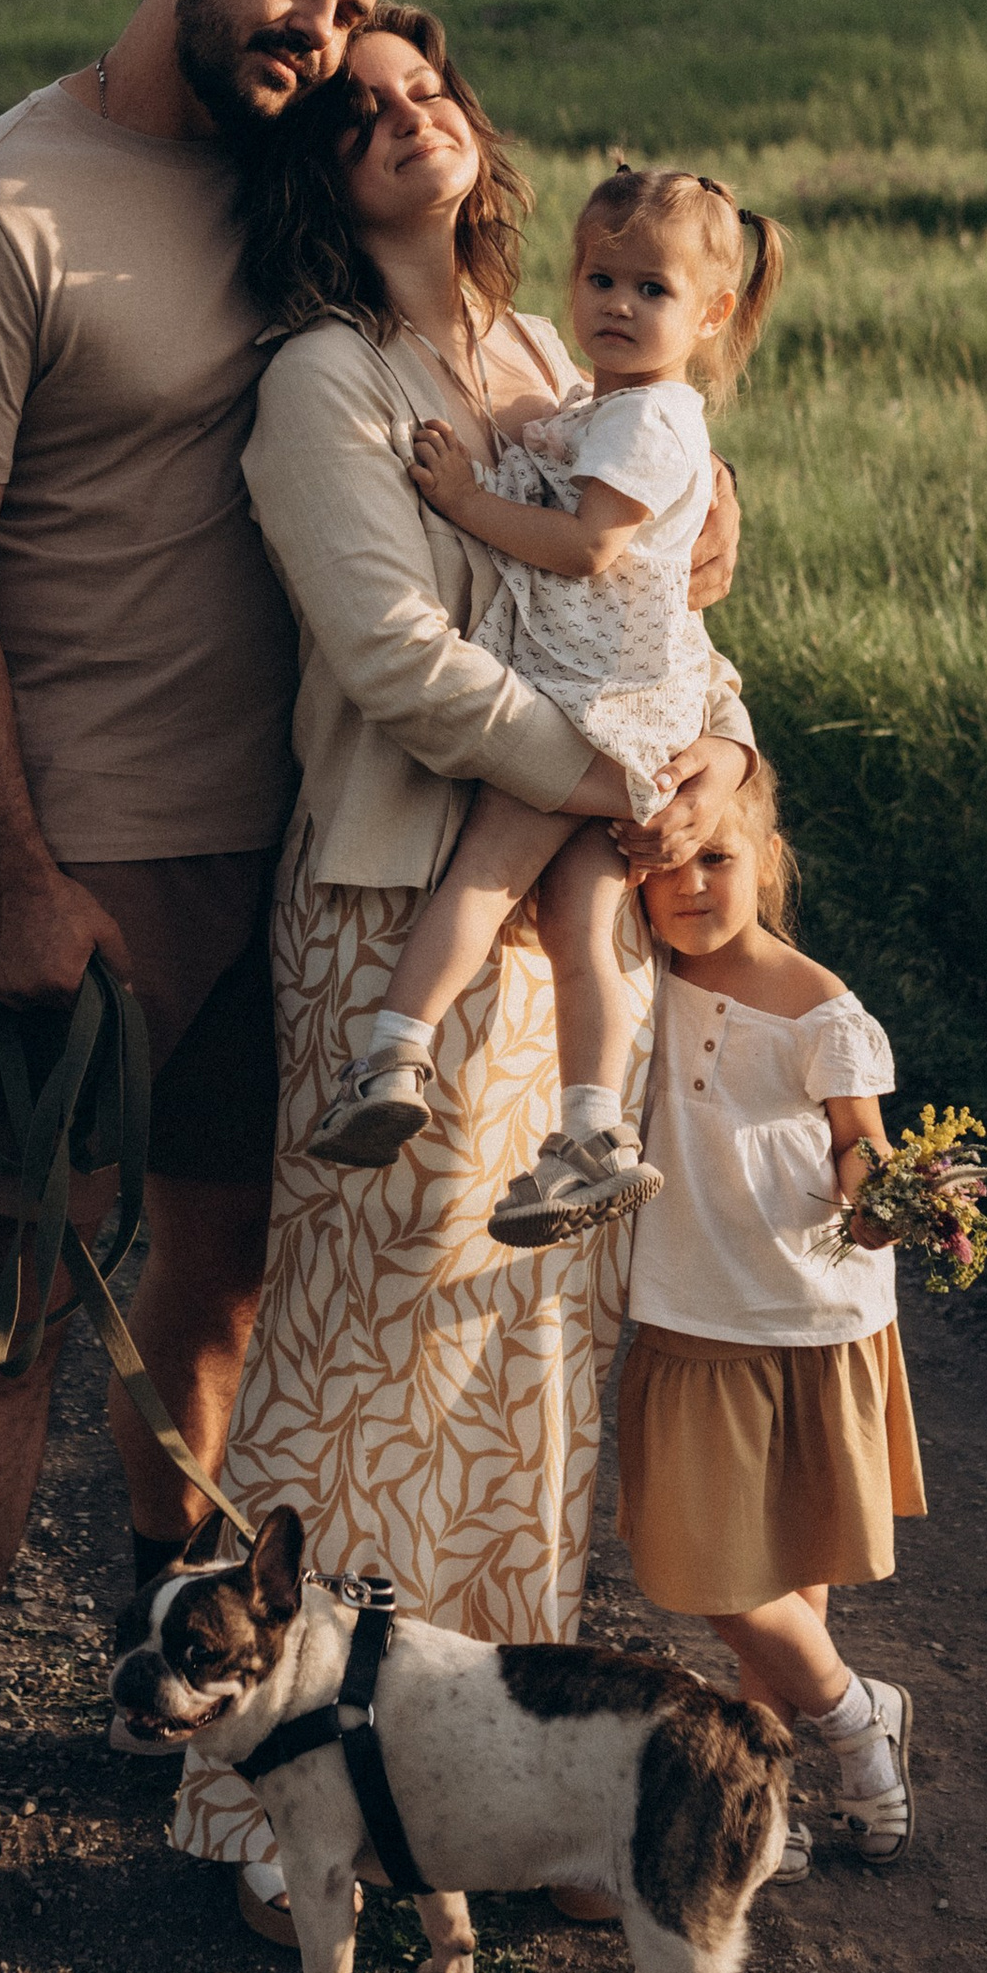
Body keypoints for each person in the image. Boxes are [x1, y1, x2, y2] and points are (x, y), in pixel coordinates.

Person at [0, 0, 396, 1956]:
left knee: (222, 1290)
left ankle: (194, 1698)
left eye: (344, 0)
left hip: (301, 850)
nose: (315, 29)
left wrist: (664, 510)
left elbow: (454, 354)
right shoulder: (5, 204)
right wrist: (30, 875)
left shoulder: (294, 174)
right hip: (88, 863)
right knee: (7, 1305)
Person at [171, 4, 756, 1942]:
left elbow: (653, 607)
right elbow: (402, 668)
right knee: (372, 1353)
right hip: (394, 896)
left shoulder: (545, 352)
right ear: (314, 170)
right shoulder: (319, 384)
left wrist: (710, 765)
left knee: (515, 1358)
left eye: (431, 89)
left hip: (565, 899)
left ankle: (489, 1804)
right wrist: (609, 773)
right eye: (360, 111)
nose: (408, 118)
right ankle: (291, 1815)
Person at [320, 159, 787, 1249]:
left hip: (588, 706)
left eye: (652, 290)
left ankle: (392, 1050)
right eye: (600, 278)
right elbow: (559, 439)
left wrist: (465, 498)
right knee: (579, 925)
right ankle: (593, 1137)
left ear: (711, 313)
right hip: (632, 710)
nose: (618, 305)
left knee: (484, 877)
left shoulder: (650, 425)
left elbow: (583, 547)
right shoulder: (617, 408)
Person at [616, 755, 923, 1875]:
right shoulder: (641, 978)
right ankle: (857, 1712)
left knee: (785, 1573)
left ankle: (765, 1799)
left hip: (807, 1312)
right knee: (701, 1567)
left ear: (765, 862)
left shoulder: (821, 1005)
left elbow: (859, 1144)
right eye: (666, 866)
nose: (692, 884)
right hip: (690, 1312)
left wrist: (886, 1200)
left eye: (718, 857)